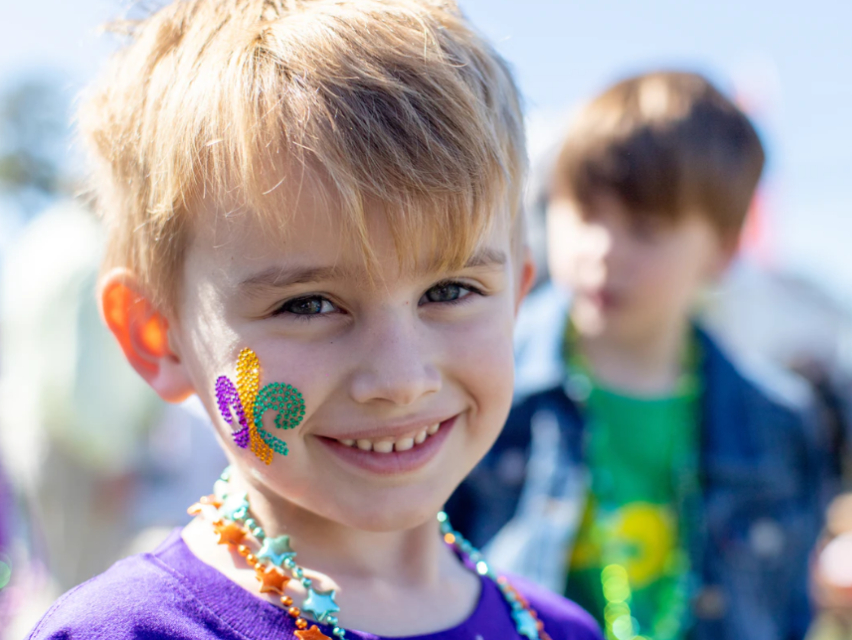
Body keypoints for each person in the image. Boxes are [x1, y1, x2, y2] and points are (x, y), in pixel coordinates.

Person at [26, 1, 602, 639]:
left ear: (519, 297)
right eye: (309, 304)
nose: (400, 378)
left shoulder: (561, 630)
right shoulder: (127, 631)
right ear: (157, 336)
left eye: (451, 290)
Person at [448, 71, 822, 640]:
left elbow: (788, 611)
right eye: (584, 211)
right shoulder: (481, 378)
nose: (602, 250)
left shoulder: (776, 423)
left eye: (645, 229)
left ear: (722, 248)